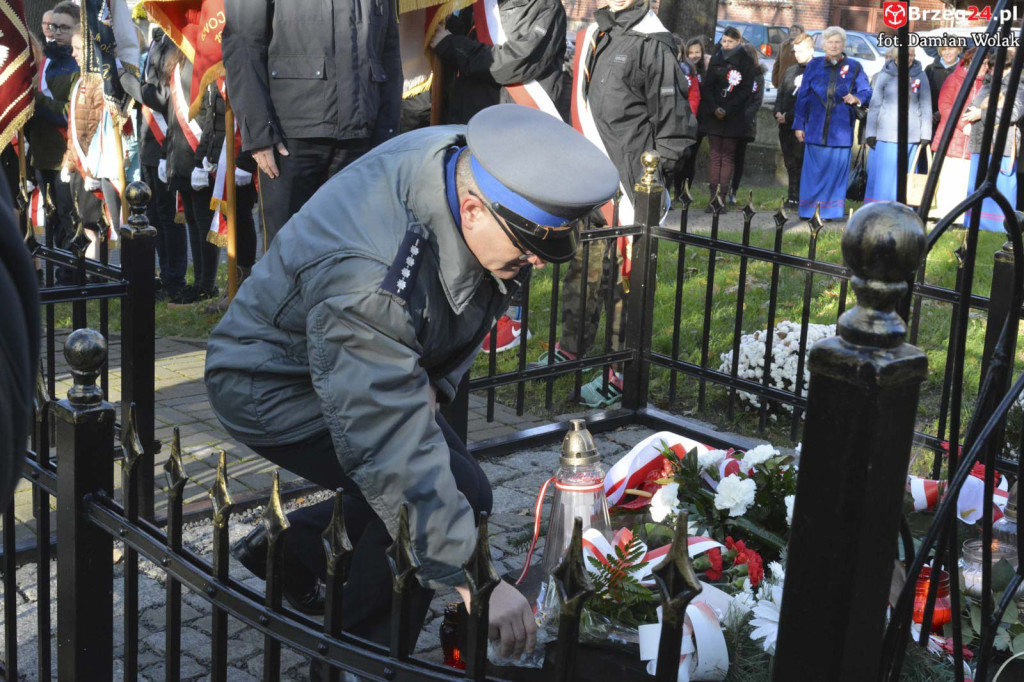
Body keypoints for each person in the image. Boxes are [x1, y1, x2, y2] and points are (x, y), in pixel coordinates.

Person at [205, 105, 620, 660]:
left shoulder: (469, 166)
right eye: (526, 248)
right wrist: (476, 578)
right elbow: (387, 443)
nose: (534, 266)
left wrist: (432, 384)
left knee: (453, 487)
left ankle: (292, 546)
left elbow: (457, 303)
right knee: (451, 494)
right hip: (271, 383)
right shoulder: (372, 281)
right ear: (472, 210)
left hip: (345, 355)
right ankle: (358, 656)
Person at [538, 0, 695, 407]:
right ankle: (572, 347)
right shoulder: (597, 33)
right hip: (592, 176)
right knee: (583, 266)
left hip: (630, 187)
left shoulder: (653, 42)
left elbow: (675, 129)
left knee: (626, 284)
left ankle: (621, 370)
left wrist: (650, 186)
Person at [429, 0, 568, 352]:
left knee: (515, 227)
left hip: (516, 131)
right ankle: (471, 311)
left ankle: (512, 317)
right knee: (477, 224)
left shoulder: (544, 7)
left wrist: (449, 44)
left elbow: (513, 63)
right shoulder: (475, 6)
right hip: (474, 129)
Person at [222, 0, 403, 247]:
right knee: (286, 259)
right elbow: (243, 42)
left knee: (350, 259)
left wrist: (387, 137)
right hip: (290, 142)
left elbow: (389, 53)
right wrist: (260, 131)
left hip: (360, 140)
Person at [792, 26, 872, 220]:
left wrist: (856, 97)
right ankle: (808, 211)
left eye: (838, 42)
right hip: (815, 128)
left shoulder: (854, 66)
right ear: (824, 44)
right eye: (830, 42)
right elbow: (803, 96)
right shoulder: (814, 65)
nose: (834, 45)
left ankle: (830, 212)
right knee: (813, 173)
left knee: (835, 174)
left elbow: (867, 91)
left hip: (841, 131)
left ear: (844, 44)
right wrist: (799, 125)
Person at [28, 1, 79, 262]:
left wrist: (37, 99)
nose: (57, 32)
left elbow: (70, 114)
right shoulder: (42, 61)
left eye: (64, 27)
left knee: (70, 217)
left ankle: (75, 271)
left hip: (65, 155)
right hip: (41, 152)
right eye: (53, 26)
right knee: (54, 220)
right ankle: (61, 269)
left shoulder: (77, 65)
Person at [139, 27, 188, 300]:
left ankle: (175, 278)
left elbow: (164, 96)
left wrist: (134, 85)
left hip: (167, 139)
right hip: (149, 140)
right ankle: (165, 271)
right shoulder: (158, 39)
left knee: (170, 216)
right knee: (154, 215)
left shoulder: (176, 40)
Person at [962, 49, 1024, 232]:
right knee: (977, 183)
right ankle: (975, 225)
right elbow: (969, 110)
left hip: (1003, 143)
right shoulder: (987, 84)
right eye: (991, 66)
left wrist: (981, 113)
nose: (994, 70)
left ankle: (1002, 226)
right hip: (980, 140)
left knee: (1002, 186)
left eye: (1001, 67)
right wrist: (974, 113)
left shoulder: (1019, 86)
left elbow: (1013, 113)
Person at [864, 46, 932, 205]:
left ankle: (902, 208)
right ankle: (880, 208)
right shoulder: (884, 75)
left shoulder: (921, 76)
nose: (909, 58)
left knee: (905, 175)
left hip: (911, 136)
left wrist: (925, 135)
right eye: (905, 55)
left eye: (912, 55)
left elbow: (926, 106)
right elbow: (875, 106)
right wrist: (870, 132)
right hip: (886, 135)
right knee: (885, 175)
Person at [699, 25, 756, 212]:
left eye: (730, 42)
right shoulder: (717, 58)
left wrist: (728, 109)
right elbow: (707, 87)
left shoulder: (746, 61)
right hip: (714, 115)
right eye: (724, 41)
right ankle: (712, 196)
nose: (726, 44)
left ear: (738, 42)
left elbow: (746, 90)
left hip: (734, 116)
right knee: (715, 156)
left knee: (728, 156)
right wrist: (715, 107)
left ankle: (722, 197)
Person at [931, 48, 984, 225]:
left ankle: (962, 217)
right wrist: (963, 125)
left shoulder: (988, 84)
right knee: (949, 176)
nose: (984, 67)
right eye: (981, 63)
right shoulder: (954, 79)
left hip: (973, 140)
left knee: (966, 179)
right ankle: (944, 215)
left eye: (986, 63)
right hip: (952, 136)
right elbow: (945, 106)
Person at [774, 33, 814, 211]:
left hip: (803, 125)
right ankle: (792, 197)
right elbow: (781, 93)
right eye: (795, 51)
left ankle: (801, 197)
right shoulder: (791, 70)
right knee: (789, 162)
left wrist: (789, 115)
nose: (797, 54)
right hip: (784, 125)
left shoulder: (815, 70)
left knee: (800, 161)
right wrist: (777, 112)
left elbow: (810, 100)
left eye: (800, 51)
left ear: (811, 50)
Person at [728, 42, 766, 205]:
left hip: (745, 123)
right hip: (729, 120)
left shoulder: (758, 75)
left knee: (738, 158)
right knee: (725, 156)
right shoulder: (732, 71)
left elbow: (757, 101)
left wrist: (743, 117)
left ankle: (733, 190)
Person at [676, 36, 710, 200]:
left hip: (699, 121)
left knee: (691, 158)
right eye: (691, 52)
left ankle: (685, 191)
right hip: (683, 119)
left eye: (698, 52)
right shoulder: (683, 69)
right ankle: (676, 190)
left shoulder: (706, 70)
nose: (695, 55)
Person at [925, 46, 962, 126]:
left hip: (954, 119)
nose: (947, 52)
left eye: (951, 49)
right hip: (931, 120)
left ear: (959, 50)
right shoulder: (930, 69)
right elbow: (923, 95)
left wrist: (942, 112)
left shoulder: (964, 71)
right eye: (944, 49)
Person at [771, 24, 805, 89]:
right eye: (792, 30)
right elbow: (777, 64)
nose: (794, 32)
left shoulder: (804, 46)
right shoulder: (783, 46)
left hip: (796, 84)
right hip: (782, 81)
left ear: (801, 33)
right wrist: (775, 80)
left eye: (796, 30)